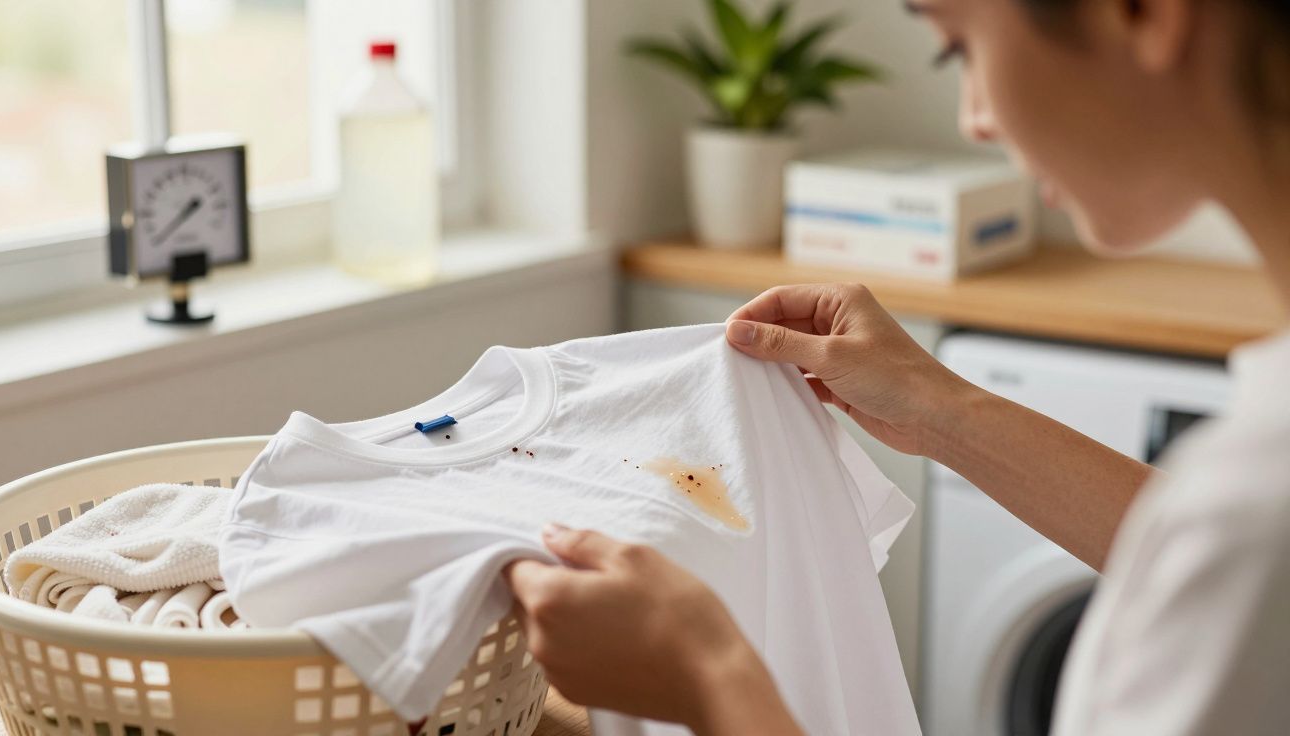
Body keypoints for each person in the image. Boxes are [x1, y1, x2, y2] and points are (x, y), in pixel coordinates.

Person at [505, 0, 1290, 733]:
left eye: (961, 46)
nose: (974, 118)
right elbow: (1196, 555)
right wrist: (940, 410)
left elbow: (1233, 549)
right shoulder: (1245, 502)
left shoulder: (1253, 506)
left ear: (1144, 11)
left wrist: (712, 680)